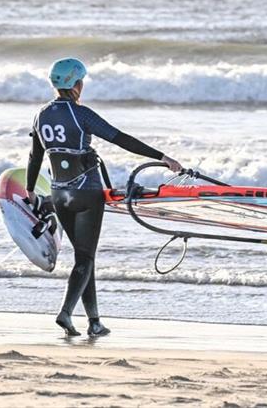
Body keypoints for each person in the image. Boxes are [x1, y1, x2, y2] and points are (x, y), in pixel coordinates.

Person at [26, 58, 182, 337]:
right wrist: (162, 157)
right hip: (87, 193)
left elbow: (35, 155)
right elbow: (120, 138)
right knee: (85, 258)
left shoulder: (41, 115)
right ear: (75, 84)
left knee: (84, 259)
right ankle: (65, 312)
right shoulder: (81, 114)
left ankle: (94, 322)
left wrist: (29, 189)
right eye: (81, 81)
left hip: (59, 194)